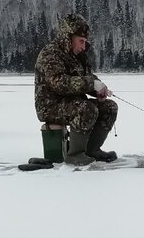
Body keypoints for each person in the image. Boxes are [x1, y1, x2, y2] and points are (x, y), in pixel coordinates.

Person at [34, 13, 118, 164]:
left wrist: (98, 88)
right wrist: (91, 84)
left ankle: (91, 151)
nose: (83, 46)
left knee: (109, 107)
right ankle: (75, 155)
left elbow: (87, 77)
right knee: (85, 108)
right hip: (51, 106)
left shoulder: (78, 56)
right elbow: (59, 83)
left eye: (85, 41)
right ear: (69, 37)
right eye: (81, 41)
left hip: (73, 103)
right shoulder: (50, 54)